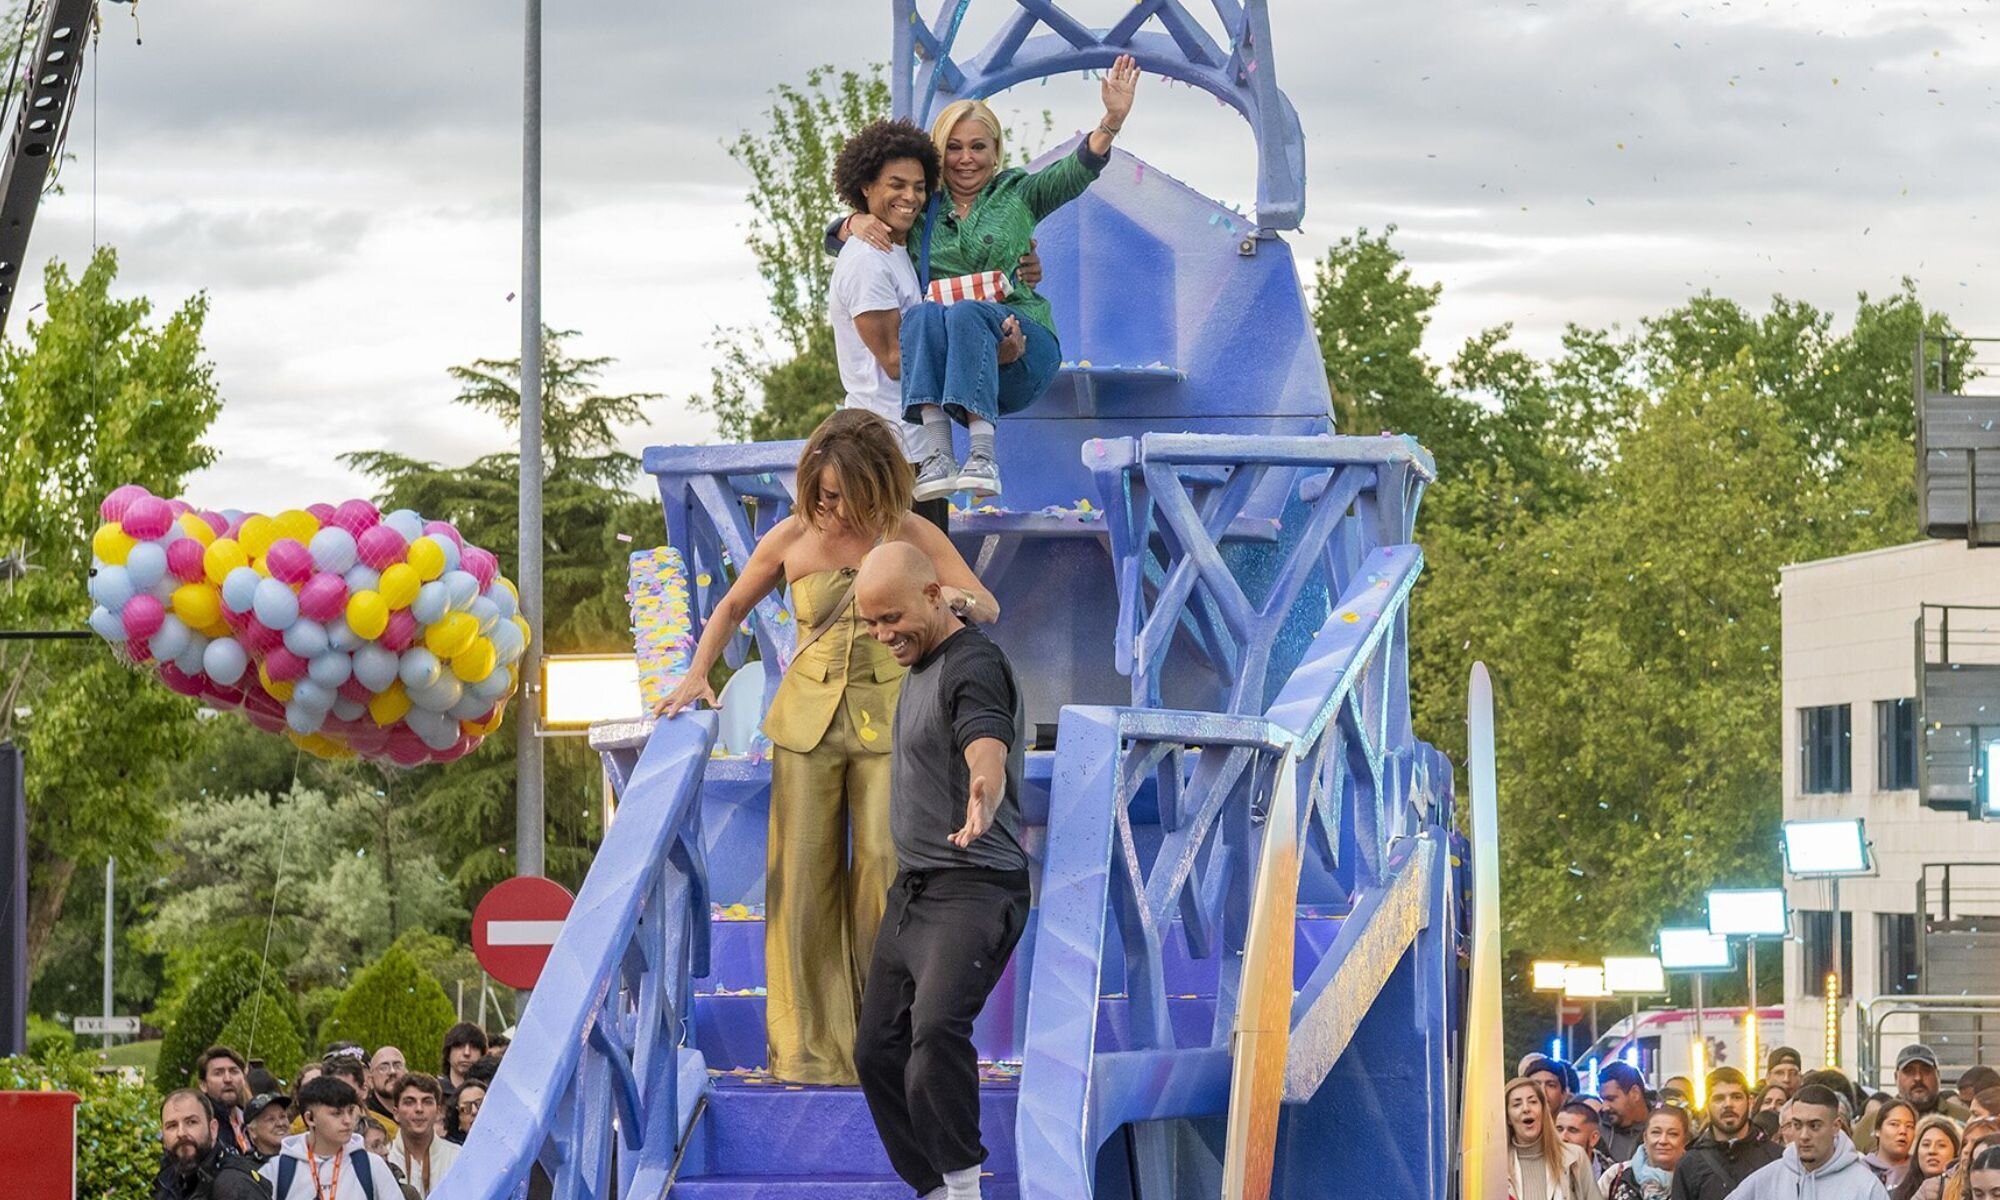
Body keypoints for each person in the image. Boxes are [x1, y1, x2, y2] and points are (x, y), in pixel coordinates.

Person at [659, 409, 998, 1086]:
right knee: (801, 884)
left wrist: (948, 596)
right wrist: (698, 672)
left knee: (885, 871)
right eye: (819, 489)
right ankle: (809, 1053)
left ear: (875, 487)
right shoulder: (793, 536)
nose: (825, 504)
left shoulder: (912, 535)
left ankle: (886, 1045)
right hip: (806, 727)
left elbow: (986, 604)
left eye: (839, 493)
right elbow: (729, 608)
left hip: (895, 725)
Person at [837, 59, 1142, 500]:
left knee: (964, 312)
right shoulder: (922, 209)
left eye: (978, 147)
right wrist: (849, 222)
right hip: (966, 359)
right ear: (938, 155)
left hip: (1020, 345)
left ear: (995, 152)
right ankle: (939, 456)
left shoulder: (1018, 194)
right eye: (954, 148)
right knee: (925, 316)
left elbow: (1074, 172)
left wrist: (1110, 122)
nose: (966, 159)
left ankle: (982, 457)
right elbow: (877, 230)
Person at [849, 541, 1032, 1200]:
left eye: (891, 619)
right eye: (871, 623)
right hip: (916, 891)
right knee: (875, 1053)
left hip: (977, 887)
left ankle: (963, 1187)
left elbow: (986, 743)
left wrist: (984, 790)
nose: (881, 635)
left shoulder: (973, 666)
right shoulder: (928, 644)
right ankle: (931, 1188)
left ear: (930, 597)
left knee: (934, 1034)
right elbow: (958, 602)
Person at [828, 118, 1020, 533]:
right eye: (896, 185)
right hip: (886, 451)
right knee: (898, 582)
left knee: (926, 584)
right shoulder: (866, 261)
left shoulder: (899, 247)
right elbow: (896, 360)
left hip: (920, 451)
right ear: (866, 186)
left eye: (918, 187)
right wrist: (983, 351)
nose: (909, 197)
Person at [1734, 1083, 1893, 1200]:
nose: (1804, 1135)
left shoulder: (1866, 1187)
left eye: (1814, 1126)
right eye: (1797, 1125)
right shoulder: (1767, 1179)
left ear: (1836, 1127)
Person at [262, 1077, 404, 1200]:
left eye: (350, 1111)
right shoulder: (278, 1170)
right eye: (337, 1114)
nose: (348, 1121)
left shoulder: (371, 1165)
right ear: (310, 1118)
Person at [1672, 1066, 1782, 1200]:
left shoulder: (1776, 1158)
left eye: (1736, 1097)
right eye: (1719, 1098)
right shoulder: (1690, 1164)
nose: (1728, 1104)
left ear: (1750, 1102)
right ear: (1707, 1106)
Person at [153, 1088, 270, 1200]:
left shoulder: (233, 1185)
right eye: (172, 1126)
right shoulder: (167, 1181)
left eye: (191, 1122)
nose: (181, 1133)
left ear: (213, 1129)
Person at [1507, 1077, 1605, 1200]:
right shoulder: (1497, 1165)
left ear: (1543, 1110)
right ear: (1508, 1118)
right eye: (1517, 1104)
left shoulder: (1574, 1157)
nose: (1526, 1109)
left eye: (1533, 1102)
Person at [1861, 1047, 1974, 1151]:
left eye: (1926, 1071)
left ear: (1938, 1076)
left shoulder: (1964, 1119)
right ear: (1896, 1077)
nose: (1918, 1078)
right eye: (1909, 1071)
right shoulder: (1871, 1122)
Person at [385, 1073, 458, 1196]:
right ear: (396, 1113)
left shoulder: (457, 1158)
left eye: (427, 1102)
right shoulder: (383, 1158)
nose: (419, 1109)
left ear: (438, 1112)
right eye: (409, 1102)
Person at [1602, 1105, 1689, 1200]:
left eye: (1673, 1134)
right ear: (1645, 1137)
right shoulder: (1618, 1173)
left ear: (1685, 1140)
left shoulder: (1694, 1179)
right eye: (1656, 1132)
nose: (1663, 1141)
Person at [197, 1046, 255, 1156]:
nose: (228, 1079)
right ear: (203, 1085)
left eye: (234, 1071)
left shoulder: (251, 1118)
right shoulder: (202, 1125)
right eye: (218, 1073)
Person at [1897, 1115, 1964, 1200]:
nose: (1932, 1151)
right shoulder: (1898, 1193)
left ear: (1956, 1152)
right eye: (1926, 1144)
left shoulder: (1965, 1192)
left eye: (1941, 1145)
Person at [438, 1023, 487, 1138]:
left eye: (474, 1047)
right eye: (459, 1046)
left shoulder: (490, 1093)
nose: (466, 1053)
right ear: (448, 1053)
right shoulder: (434, 1093)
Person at [1599, 1062, 1654, 1163]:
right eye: (1603, 1100)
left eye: (1611, 1099)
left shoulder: (1665, 1126)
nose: (1604, 1107)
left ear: (1635, 1093)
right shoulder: (1597, 1130)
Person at [1864, 1100, 1920, 1190]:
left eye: (1909, 1126)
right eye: (1894, 1124)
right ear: (1878, 1130)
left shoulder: (1920, 1170)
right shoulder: (1860, 1169)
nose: (1903, 1131)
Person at [1561, 1099, 1618, 1176]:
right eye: (1559, 1129)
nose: (1563, 1137)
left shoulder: (1615, 1178)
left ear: (1593, 1138)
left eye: (1573, 1130)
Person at [243, 1092, 291, 1163]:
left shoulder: (303, 1155)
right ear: (252, 1131)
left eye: (282, 1116)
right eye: (270, 1119)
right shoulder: (245, 1168)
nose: (280, 1123)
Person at [365, 1046, 406, 1125]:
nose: (392, 1071)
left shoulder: (418, 1109)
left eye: (397, 1066)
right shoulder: (367, 1117)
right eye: (383, 1068)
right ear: (370, 1080)